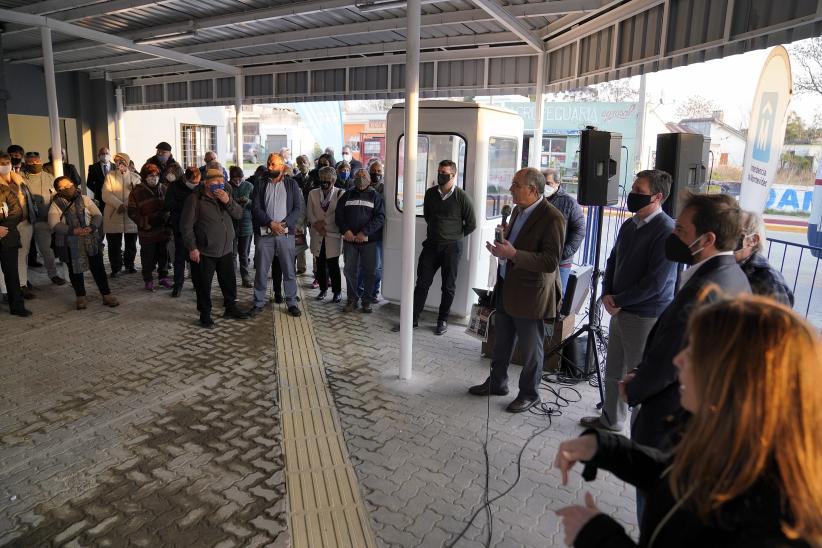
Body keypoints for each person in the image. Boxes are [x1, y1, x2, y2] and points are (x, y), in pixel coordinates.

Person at [554, 296, 822, 548]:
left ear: (736, 380)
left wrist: (599, 537)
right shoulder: (736, 445)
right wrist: (605, 447)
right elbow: (681, 479)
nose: (679, 360)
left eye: (695, 353)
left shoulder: (775, 521)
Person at [623, 192, 751, 453]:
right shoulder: (733, 275)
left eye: (680, 230)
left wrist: (634, 387)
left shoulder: (704, 290)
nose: (673, 235)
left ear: (707, 239)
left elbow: (672, 357)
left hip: (671, 424)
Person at [580, 170, 677, 432]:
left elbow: (655, 283)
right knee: (614, 370)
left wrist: (619, 300)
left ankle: (641, 433)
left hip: (645, 316)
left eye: (638, 191)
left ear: (657, 197)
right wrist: (606, 293)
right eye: (632, 189)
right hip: (620, 310)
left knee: (639, 376)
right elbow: (613, 260)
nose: (632, 195)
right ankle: (611, 420)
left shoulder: (667, 231)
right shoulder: (629, 224)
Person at [468, 168, 565, 413]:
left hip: (531, 294)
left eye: (516, 184)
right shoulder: (517, 211)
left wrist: (513, 254)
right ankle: (497, 382)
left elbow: (550, 261)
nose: (511, 188)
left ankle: (530, 393)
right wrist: (501, 250)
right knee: (502, 340)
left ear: (533, 190)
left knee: (531, 347)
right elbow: (514, 247)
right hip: (507, 286)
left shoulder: (552, 218)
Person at [409, 160, 476, 335]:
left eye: (444, 172)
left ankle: (442, 320)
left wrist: (454, 236)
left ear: (453, 175)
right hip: (431, 246)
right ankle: (413, 318)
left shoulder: (461, 196)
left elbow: (471, 223)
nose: (440, 175)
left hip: (452, 248)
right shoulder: (430, 194)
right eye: (439, 171)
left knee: (448, 286)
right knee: (422, 283)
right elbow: (428, 216)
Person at [180, 168, 249, 327]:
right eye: (216, 182)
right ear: (206, 182)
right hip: (205, 251)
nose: (220, 185)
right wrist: (192, 248)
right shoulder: (195, 199)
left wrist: (228, 201)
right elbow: (186, 227)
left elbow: (238, 214)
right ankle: (205, 314)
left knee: (229, 282)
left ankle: (230, 307)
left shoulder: (225, 196)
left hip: (226, 249)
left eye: (222, 181)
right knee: (203, 285)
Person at [48, 176, 119, 310]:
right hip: (70, 241)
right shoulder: (55, 204)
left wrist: (91, 227)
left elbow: (97, 215)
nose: (66, 188)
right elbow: (54, 224)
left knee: (98, 268)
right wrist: (73, 231)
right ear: (57, 190)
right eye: (62, 188)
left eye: (68, 185)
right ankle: (80, 296)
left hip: (90, 238)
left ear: (73, 184)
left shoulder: (85, 198)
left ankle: (106, 294)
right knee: (75, 270)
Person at [249, 153, 303, 317]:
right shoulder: (260, 184)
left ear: (281, 166)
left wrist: (284, 224)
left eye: (273, 164)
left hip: (285, 235)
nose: (269, 167)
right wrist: (271, 223)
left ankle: (292, 302)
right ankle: (258, 302)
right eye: (268, 164)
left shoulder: (292, 184)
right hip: (265, 234)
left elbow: (297, 209)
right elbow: (255, 208)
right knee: (261, 271)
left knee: (288, 270)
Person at [336, 168, 385, 314]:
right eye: (358, 175)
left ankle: (366, 301)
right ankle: (352, 300)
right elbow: (339, 216)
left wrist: (364, 232)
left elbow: (380, 218)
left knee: (370, 272)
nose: (361, 178)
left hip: (368, 242)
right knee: (350, 270)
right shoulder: (347, 195)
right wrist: (346, 231)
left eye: (364, 176)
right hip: (350, 241)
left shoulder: (375, 196)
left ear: (369, 180)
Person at [23, 151, 66, 286]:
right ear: (26, 163)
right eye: (30, 162)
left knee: (46, 250)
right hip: (26, 222)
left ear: (40, 161)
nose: (34, 164)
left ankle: (53, 275)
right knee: (23, 252)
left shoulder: (49, 177)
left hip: (43, 221)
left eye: (36, 161)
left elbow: (56, 197)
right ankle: (23, 281)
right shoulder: (20, 178)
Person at [735, 210, 794, 307]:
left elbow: (780, 321)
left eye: (734, 232)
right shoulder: (730, 266)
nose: (726, 236)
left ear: (753, 240)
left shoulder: (770, 281)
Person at [128, 163, 172, 291]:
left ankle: (163, 277)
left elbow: (170, 207)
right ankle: (148, 279)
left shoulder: (163, 189)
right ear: (144, 177)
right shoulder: (136, 192)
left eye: (156, 175)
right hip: (147, 232)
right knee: (148, 257)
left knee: (163, 255)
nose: (154, 178)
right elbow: (132, 212)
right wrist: (144, 222)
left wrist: (167, 220)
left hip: (163, 231)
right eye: (151, 175)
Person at [543, 169, 585, 291]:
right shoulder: (538, 199)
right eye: (542, 183)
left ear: (558, 183)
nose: (545, 187)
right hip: (540, 258)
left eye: (548, 183)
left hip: (561, 262)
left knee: (557, 296)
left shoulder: (569, 202)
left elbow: (579, 230)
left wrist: (563, 253)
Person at [307, 166, 344, 302]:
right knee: (320, 264)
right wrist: (316, 224)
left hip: (332, 235)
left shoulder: (340, 193)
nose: (324, 181)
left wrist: (324, 223)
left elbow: (338, 213)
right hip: (317, 234)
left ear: (333, 180)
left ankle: (337, 292)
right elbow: (309, 212)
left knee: (333, 264)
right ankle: (323, 290)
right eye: (322, 179)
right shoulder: (313, 193)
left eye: (328, 179)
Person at [3, 154, 37, 300]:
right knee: (6, 260)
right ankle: (6, 291)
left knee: (23, 255)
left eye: (7, 162)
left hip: (24, 222)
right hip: (5, 227)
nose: (5, 165)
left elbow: (28, 199)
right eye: (2, 163)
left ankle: (22, 284)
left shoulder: (19, 179)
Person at [0, 154, 31, 317]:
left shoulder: (5, 190)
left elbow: (16, 211)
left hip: (8, 238)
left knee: (12, 274)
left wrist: (3, 229)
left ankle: (17, 306)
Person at [165, 166, 201, 297]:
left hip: (195, 228)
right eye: (193, 182)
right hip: (179, 227)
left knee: (196, 258)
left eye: (197, 183)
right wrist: (187, 205)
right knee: (179, 258)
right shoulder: (174, 187)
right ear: (186, 178)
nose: (195, 185)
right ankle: (178, 285)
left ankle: (197, 284)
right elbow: (167, 205)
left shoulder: (199, 188)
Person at [103, 152, 140, 277]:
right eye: (117, 161)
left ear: (127, 162)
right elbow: (106, 194)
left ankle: (130, 265)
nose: (119, 163)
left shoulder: (135, 177)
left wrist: (128, 204)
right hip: (114, 213)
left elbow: (139, 194)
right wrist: (119, 204)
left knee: (131, 243)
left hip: (130, 214)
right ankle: (116, 267)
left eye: (122, 160)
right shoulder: (110, 176)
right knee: (114, 243)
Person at [227, 166, 254, 287]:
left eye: (240, 179)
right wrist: (235, 201)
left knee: (243, 253)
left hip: (246, 224)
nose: (237, 182)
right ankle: (231, 278)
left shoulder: (249, 186)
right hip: (231, 224)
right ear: (230, 178)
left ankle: (245, 277)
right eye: (235, 180)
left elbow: (256, 204)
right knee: (232, 253)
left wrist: (248, 201)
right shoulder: (227, 186)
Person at [87, 147, 115, 215]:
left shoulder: (115, 167)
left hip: (114, 196)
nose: (105, 155)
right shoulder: (93, 167)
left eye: (107, 153)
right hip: (100, 197)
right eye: (103, 153)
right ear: (99, 155)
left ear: (110, 155)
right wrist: (97, 190)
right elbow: (89, 183)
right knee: (102, 215)